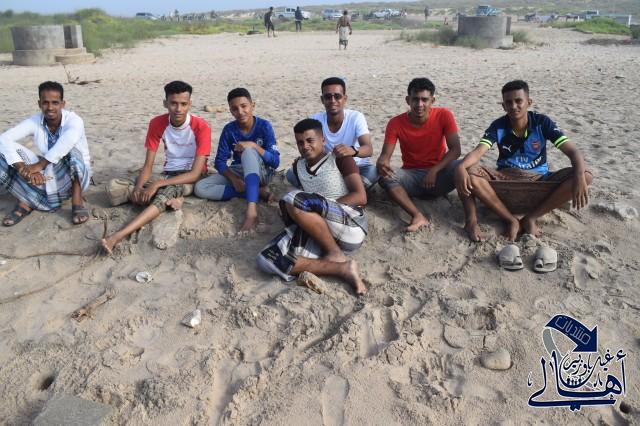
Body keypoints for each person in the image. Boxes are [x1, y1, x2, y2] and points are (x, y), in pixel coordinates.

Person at [455, 80, 593, 242]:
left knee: (586, 174)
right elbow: (479, 151)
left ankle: (531, 218)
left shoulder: (542, 122)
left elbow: (573, 151)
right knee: (467, 172)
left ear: (529, 102)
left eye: (518, 101)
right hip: (505, 183)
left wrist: (579, 175)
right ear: (503, 106)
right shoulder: (498, 125)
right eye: (509, 102)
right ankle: (506, 220)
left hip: (539, 182)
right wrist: (461, 167)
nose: (514, 106)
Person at [258, 119, 368, 295]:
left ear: (323, 139)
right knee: (267, 259)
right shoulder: (298, 166)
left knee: (293, 198)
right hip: (320, 231)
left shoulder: (340, 159)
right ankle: (341, 268)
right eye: (300, 142)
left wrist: (315, 208)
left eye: (310, 140)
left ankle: (335, 254)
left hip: (350, 224)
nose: (305, 146)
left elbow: (360, 196)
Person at [101, 81, 211, 254]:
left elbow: (196, 173)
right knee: (115, 188)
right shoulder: (157, 123)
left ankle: (117, 237)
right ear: (165, 103)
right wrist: (138, 188)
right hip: (168, 173)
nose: (178, 109)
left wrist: (157, 184)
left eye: (183, 104)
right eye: (173, 103)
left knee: (163, 192)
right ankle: (172, 200)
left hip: (189, 177)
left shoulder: (201, 126)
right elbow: (148, 165)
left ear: (190, 104)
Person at [0, 81, 91, 227]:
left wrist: (39, 165)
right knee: (3, 149)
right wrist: (23, 169)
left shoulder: (74, 120)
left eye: (55, 103)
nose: (50, 107)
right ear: (39, 104)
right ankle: (27, 199)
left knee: (71, 151)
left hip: (74, 177)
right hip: (47, 174)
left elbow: (67, 141)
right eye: (45, 103)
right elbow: (4, 139)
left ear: (62, 104)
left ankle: (77, 202)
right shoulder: (35, 120)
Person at [376, 78, 461, 232]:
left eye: (424, 100)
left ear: (432, 101)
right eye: (415, 99)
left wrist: (434, 170)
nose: (419, 104)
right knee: (386, 176)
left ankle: (471, 219)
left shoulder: (444, 115)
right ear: (408, 100)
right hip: (412, 178)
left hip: (439, 174)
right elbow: (385, 156)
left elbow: (456, 150)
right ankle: (417, 215)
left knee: (464, 167)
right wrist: (382, 164)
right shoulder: (395, 123)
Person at [195, 87, 279, 232]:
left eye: (244, 106)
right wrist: (234, 179)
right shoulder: (229, 129)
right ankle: (256, 192)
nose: (240, 112)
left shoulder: (264, 126)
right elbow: (220, 161)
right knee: (201, 188)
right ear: (230, 111)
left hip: (261, 172)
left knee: (248, 152)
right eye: (234, 109)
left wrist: (253, 146)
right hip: (239, 171)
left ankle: (251, 211)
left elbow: (275, 162)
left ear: (252, 105)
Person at [287, 77, 376, 190]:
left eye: (337, 96)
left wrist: (352, 150)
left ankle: (339, 190)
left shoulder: (356, 117)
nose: (333, 100)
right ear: (322, 99)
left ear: (345, 99)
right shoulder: (316, 119)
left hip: (358, 166)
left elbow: (368, 149)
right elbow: (310, 147)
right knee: (291, 174)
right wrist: (303, 158)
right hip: (328, 167)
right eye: (328, 97)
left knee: (372, 172)